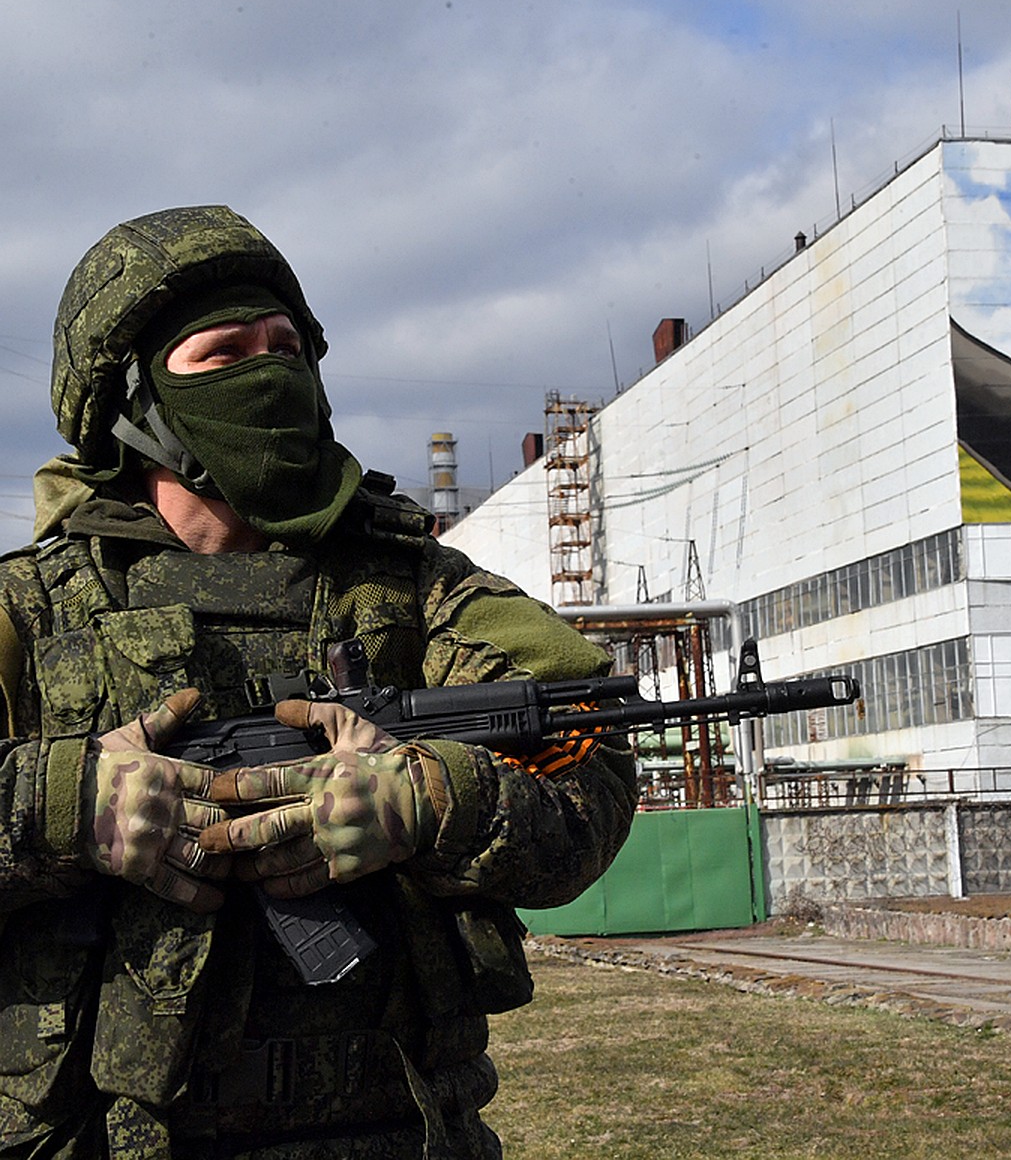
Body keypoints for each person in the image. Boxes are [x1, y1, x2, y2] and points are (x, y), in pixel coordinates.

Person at [0, 205, 637, 1159]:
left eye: (287, 346)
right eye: (224, 354)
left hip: (400, 1133)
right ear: (132, 405)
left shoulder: (415, 590)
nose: (271, 373)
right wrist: (66, 806)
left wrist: (429, 801)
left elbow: (592, 748)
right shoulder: (26, 610)